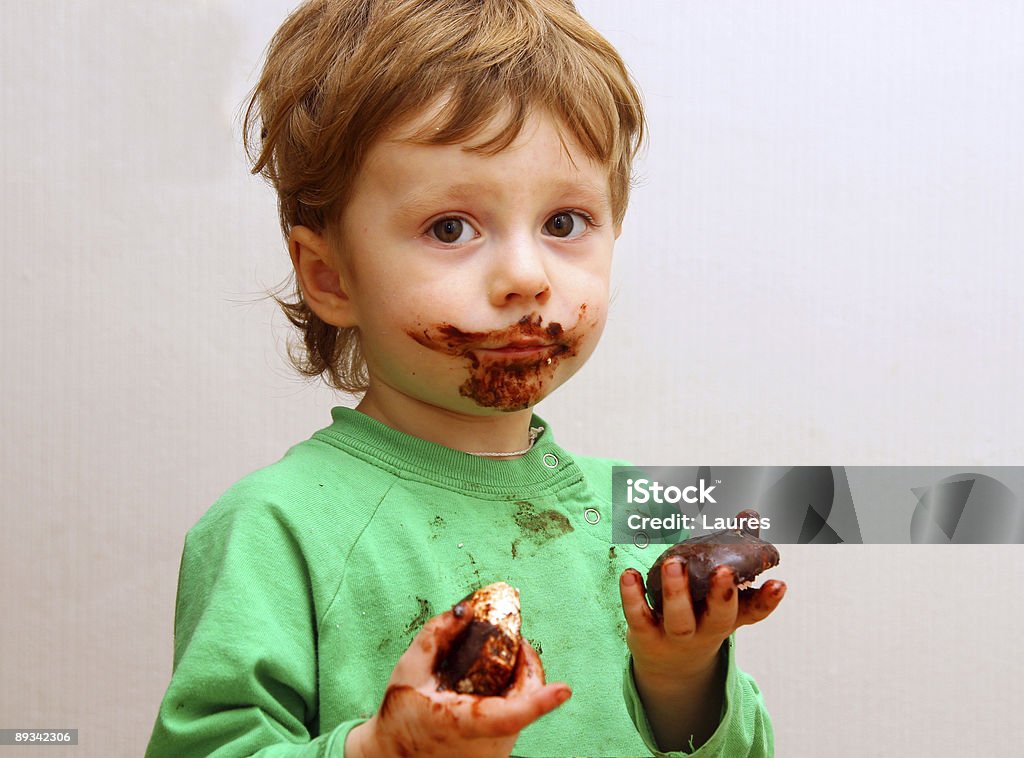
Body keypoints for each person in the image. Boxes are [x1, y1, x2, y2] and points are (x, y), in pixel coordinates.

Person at [145, 0, 787, 755]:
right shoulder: (275, 528)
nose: (525, 276)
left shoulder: (640, 514)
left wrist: (682, 674)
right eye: (450, 227)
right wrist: (383, 749)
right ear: (330, 276)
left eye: (564, 224)